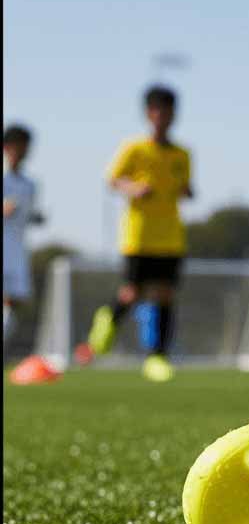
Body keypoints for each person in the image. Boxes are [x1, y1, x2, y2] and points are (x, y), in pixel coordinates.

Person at [77, 85, 193, 381]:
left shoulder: (182, 154)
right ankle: (103, 327)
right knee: (131, 293)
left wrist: (187, 190)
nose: (162, 117)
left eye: (167, 111)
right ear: (148, 114)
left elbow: (186, 186)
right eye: (157, 111)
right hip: (138, 235)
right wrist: (133, 188)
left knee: (165, 295)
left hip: (171, 236)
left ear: (173, 115)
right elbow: (112, 180)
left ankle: (157, 357)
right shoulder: (134, 148)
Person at [3, 125, 45, 348]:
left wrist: (35, 218)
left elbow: (27, 215)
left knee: (13, 302)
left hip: (17, 249)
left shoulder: (30, 184)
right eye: (18, 147)